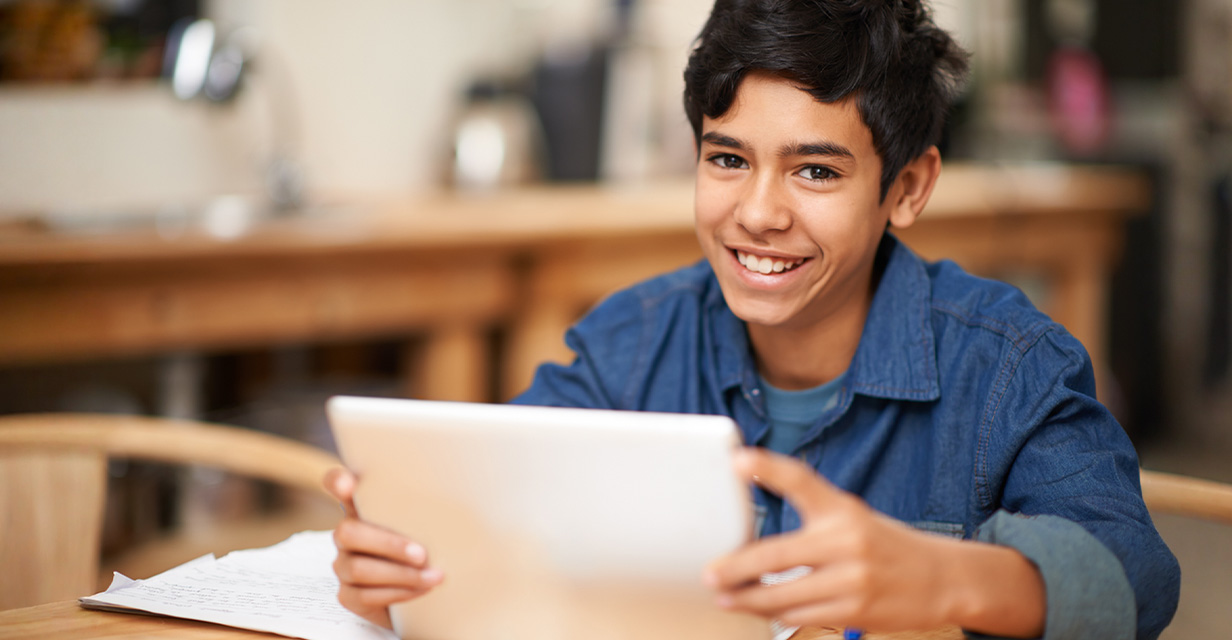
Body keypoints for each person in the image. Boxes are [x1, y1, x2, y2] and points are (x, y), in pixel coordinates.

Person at [326, 0, 1180, 637]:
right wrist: (404, 552)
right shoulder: (629, 345)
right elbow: (494, 500)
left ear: (909, 189)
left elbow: (1137, 579)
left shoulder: (1008, 365)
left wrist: (944, 578)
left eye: (815, 172)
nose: (758, 213)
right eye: (727, 159)